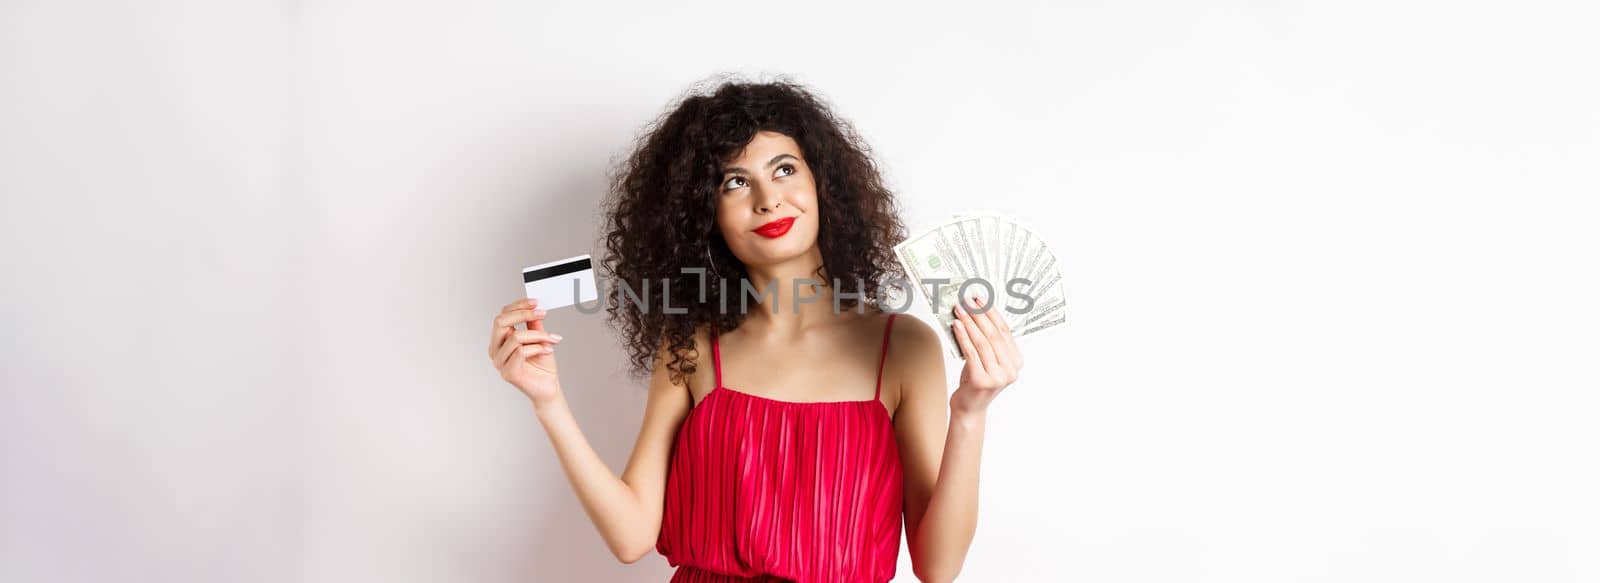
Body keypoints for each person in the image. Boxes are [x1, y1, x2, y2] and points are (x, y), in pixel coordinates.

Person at [487, 77, 1023, 583]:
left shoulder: (903, 346)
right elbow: (631, 537)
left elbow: (939, 566)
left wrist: (971, 412)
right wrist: (548, 402)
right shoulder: (690, 343)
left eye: (785, 169)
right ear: (705, 214)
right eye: (735, 182)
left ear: (823, 184)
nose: (767, 199)